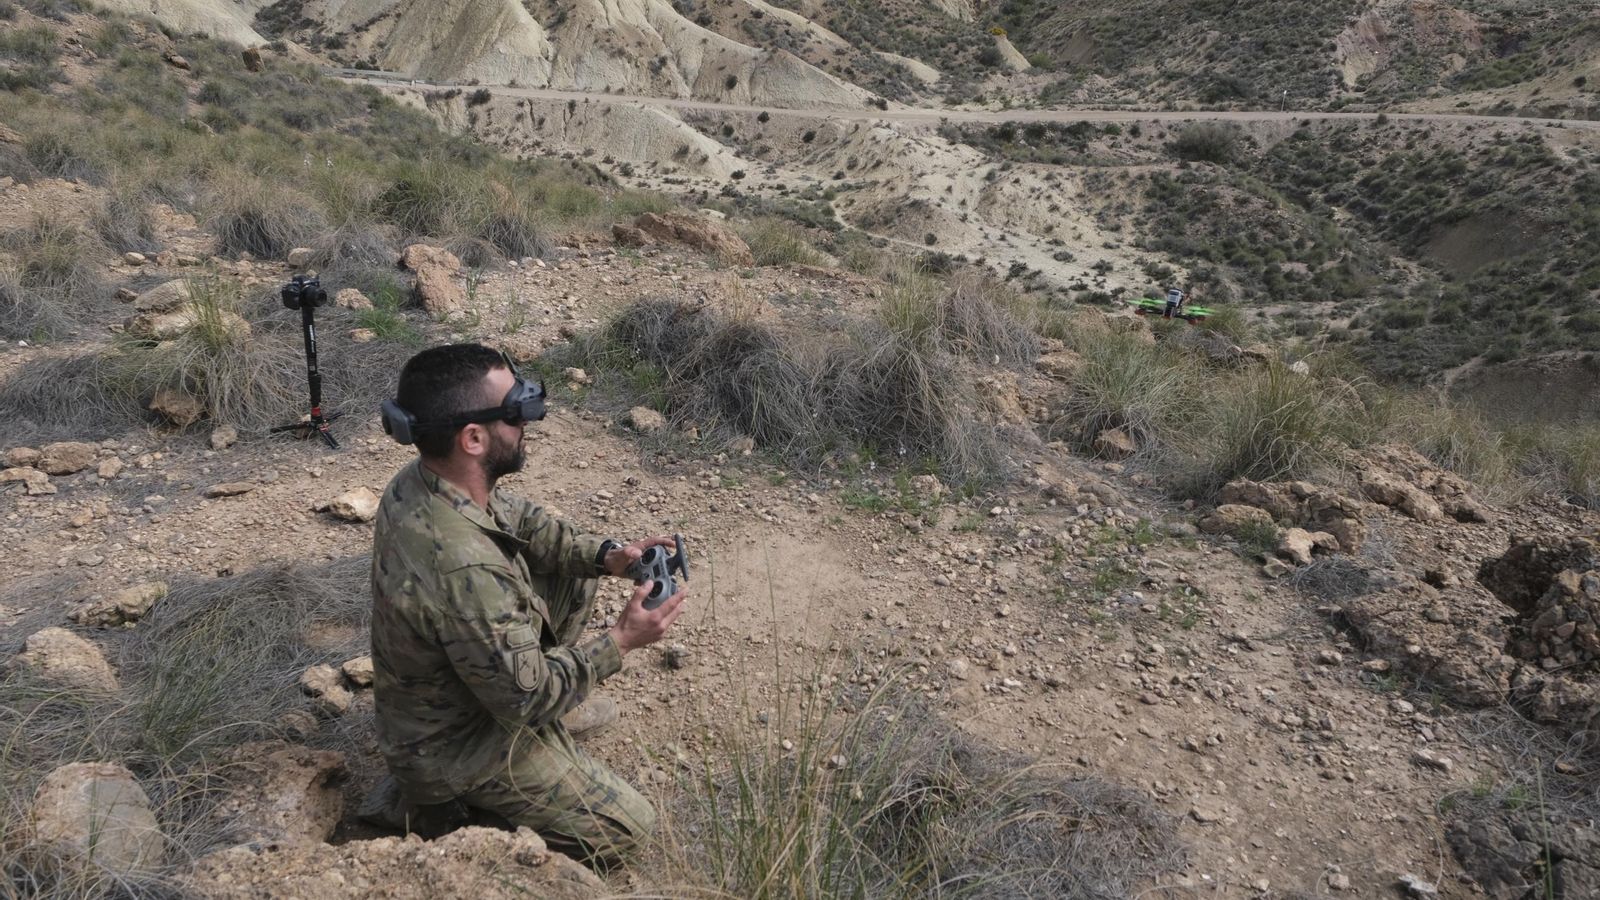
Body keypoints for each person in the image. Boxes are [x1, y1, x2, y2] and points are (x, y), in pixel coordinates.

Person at [365, 343, 688, 866]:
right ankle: (451, 816)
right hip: (457, 749)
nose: (528, 422)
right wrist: (621, 641)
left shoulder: (427, 480)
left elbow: (529, 525)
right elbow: (525, 698)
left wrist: (611, 558)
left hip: (459, 692)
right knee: (629, 829)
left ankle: (539, 718)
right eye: (517, 411)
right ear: (473, 438)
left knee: (575, 577)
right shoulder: (463, 566)